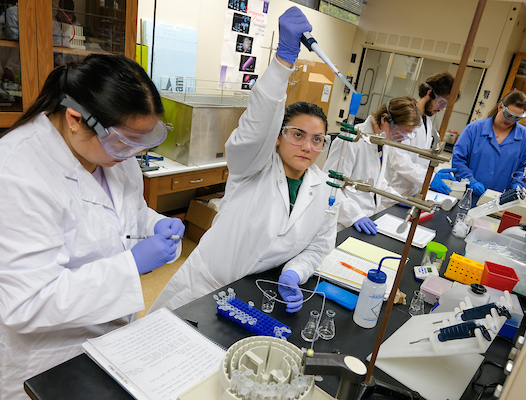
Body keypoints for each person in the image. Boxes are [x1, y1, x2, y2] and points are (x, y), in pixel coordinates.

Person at [0, 54, 185, 400]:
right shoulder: (16, 173)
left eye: (141, 142)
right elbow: (27, 304)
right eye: (125, 142)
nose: (131, 153)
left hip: (109, 340)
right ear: (75, 119)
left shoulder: (111, 154)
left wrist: (158, 223)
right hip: (48, 360)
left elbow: (129, 211)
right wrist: (131, 265)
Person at [149, 7, 336, 314]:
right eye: (297, 134)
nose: (307, 145)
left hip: (253, 297)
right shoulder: (254, 166)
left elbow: (318, 245)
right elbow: (256, 127)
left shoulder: (325, 188)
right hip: (203, 288)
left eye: (317, 139)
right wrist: (282, 62)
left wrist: (295, 272)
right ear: (278, 136)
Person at [323, 97, 422, 234]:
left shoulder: (381, 142)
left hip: (367, 222)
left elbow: (376, 182)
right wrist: (355, 215)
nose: (398, 141)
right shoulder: (350, 140)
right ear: (385, 119)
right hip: (341, 225)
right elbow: (329, 186)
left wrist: (396, 198)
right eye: (397, 134)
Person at [386, 72, 459, 196]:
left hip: (413, 191)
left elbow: (420, 159)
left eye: (445, 106)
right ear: (429, 94)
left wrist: (435, 171)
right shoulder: (406, 118)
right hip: (395, 191)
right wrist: (429, 178)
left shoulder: (427, 122)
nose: (441, 109)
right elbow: (398, 159)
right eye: (441, 103)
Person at [452, 90, 526, 197]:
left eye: (517, 118)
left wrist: (518, 184)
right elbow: (458, 159)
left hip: (501, 199)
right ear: (500, 107)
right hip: (467, 194)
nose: (511, 120)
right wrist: (470, 180)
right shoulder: (474, 129)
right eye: (508, 115)